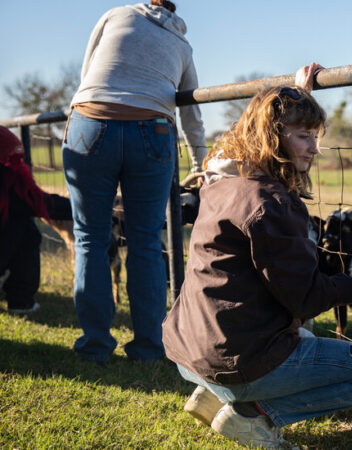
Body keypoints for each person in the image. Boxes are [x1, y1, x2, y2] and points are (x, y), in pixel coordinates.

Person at [162, 65, 352, 448]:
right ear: (273, 138)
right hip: (234, 359)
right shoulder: (270, 203)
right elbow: (306, 297)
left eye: (316, 136)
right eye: (303, 137)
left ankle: (217, 392)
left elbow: (242, 134)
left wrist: (296, 95)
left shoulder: (221, 176)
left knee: (303, 334)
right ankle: (252, 414)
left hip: (188, 350)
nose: (315, 148)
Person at [62, 0, 206, 363]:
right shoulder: (183, 46)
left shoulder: (116, 15)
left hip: (91, 120)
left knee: (90, 238)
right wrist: (200, 163)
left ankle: (95, 346)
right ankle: (149, 348)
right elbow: (191, 113)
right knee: (145, 242)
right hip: (153, 129)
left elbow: (87, 73)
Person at [0, 126, 71, 314]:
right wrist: (88, 208)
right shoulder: (7, 180)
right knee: (25, 229)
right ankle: (20, 300)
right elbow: (41, 204)